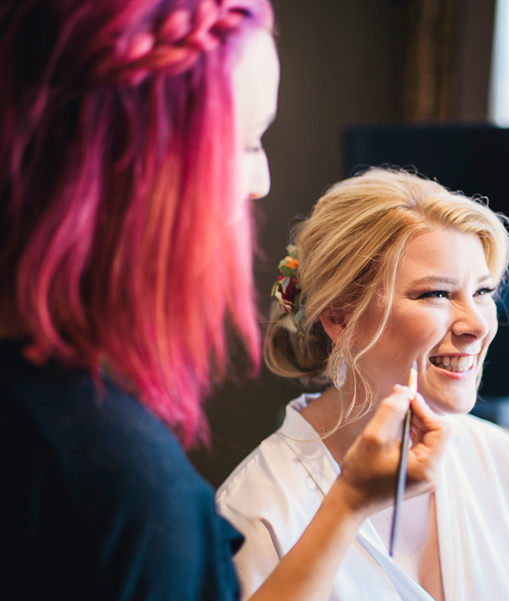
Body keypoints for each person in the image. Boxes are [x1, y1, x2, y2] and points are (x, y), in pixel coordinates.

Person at [1, 2, 445, 600]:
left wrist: (346, 504)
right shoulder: (112, 483)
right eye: (244, 143)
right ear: (129, 161)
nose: (260, 180)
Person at [216, 167, 509, 601]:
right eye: (436, 294)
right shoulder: (256, 512)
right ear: (340, 317)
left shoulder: (498, 460)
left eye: (483, 291)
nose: (478, 325)